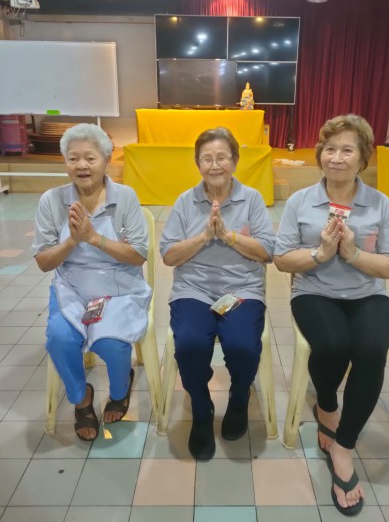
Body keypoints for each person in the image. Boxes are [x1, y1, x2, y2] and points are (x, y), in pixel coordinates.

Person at [273, 114, 389, 516]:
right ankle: (327, 404)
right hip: (314, 290)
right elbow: (281, 259)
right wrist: (321, 254)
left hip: (366, 293)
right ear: (320, 154)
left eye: (347, 150)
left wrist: (354, 254)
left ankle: (344, 446)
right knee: (332, 344)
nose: (336, 157)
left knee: (371, 349)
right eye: (329, 149)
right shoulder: (301, 201)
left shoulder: (380, 204)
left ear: (363, 157)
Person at [160, 126, 275, 460]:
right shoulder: (186, 201)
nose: (214, 165)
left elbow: (267, 251)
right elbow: (168, 255)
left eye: (222, 157)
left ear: (235, 161)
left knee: (242, 346)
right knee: (189, 344)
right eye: (206, 158)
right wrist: (203, 237)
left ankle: (239, 398)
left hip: (241, 289)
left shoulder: (251, 199)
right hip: (194, 289)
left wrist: (228, 235)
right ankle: (201, 407)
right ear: (198, 163)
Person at [33, 123, 152, 442]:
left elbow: (138, 255)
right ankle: (81, 398)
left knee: (111, 342)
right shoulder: (52, 200)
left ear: (107, 160)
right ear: (65, 162)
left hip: (118, 286)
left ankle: (120, 389)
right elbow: (44, 261)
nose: (82, 165)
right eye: (73, 158)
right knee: (60, 338)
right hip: (72, 286)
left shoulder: (125, 197)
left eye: (90, 157)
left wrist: (93, 238)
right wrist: (72, 241)